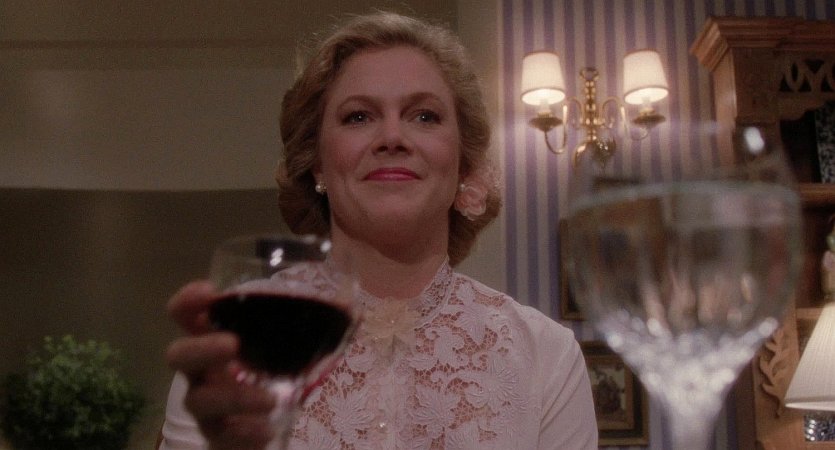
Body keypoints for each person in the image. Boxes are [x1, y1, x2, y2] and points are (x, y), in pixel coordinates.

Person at [159, 11, 597, 450]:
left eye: (424, 116)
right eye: (358, 117)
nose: (392, 136)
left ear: (464, 163)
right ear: (316, 162)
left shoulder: (547, 357)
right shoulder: (235, 349)